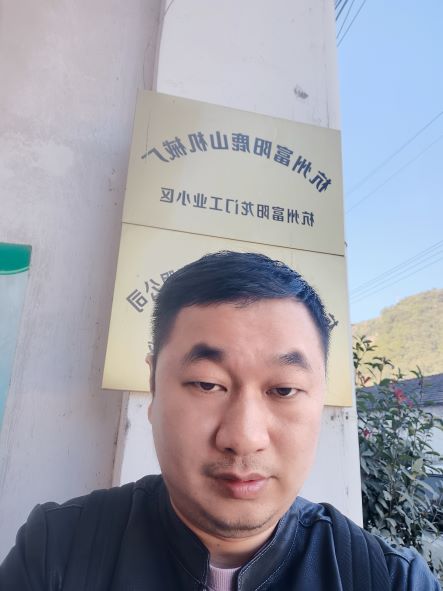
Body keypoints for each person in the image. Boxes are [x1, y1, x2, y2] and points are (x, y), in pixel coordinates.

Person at [0, 251, 439, 590]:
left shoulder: (390, 579)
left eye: (284, 390)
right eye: (208, 384)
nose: (243, 438)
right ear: (154, 387)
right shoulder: (58, 550)